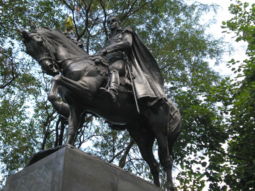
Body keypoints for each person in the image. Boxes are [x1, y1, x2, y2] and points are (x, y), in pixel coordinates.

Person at [99, 16, 166, 109]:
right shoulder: (108, 39)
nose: (111, 23)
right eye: (109, 22)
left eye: (113, 21)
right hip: (108, 61)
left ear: (118, 22)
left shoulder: (125, 31)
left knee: (114, 69)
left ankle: (112, 91)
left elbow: (127, 43)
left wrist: (107, 49)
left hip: (121, 60)